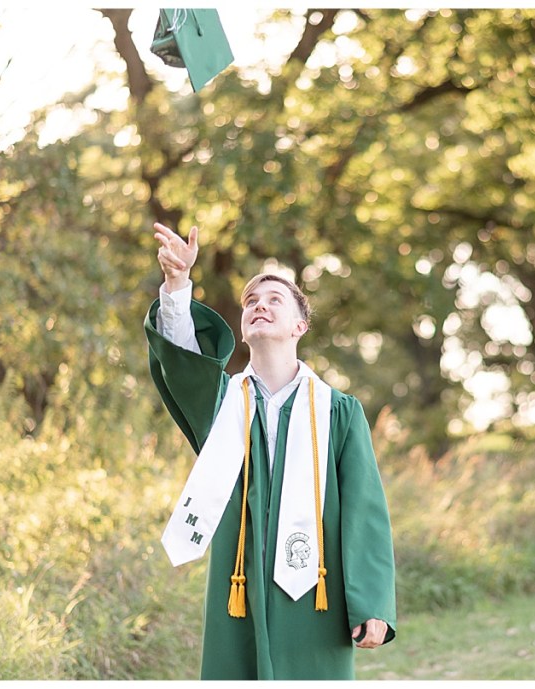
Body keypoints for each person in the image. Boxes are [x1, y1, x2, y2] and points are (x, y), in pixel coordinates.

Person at [144, 222, 397, 680]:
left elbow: (365, 509)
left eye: (274, 299)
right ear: (242, 328)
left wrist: (372, 602)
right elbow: (183, 367)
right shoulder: (223, 406)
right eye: (250, 303)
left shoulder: (339, 412)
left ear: (300, 325)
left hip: (316, 588)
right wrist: (177, 285)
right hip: (237, 582)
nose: (259, 305)